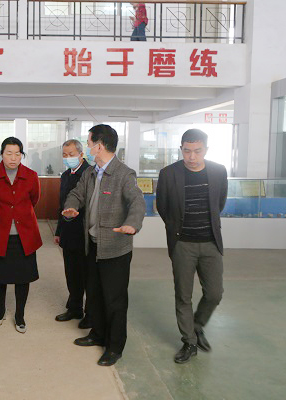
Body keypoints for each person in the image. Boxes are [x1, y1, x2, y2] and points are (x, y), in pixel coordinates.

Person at [62, 124, 145, 367]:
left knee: (114, 300)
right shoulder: (90, 172)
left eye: (89, 143)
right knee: (95, 293)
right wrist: (71, 207)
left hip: (115, 248)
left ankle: (115, 347)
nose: (88, 148)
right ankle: (97, 334)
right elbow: (76, 194)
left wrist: (132, 224)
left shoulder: (124, 174)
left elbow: (137, 202)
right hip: (93, 245)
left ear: (99, 146)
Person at [156, 129, 228, 364]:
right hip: (183, 244)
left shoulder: (218, 171)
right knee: (183, 295)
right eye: (187, 151)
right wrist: (176, 230)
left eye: (197, 151)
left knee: (215, 293)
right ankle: (189, 342)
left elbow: (219, 203)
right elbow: (163, 207)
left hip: (210, 243)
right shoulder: (169, 174)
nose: (191, 156)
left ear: (206, 150)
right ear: (181, 149)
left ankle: (196, 325)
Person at [0, 137, 42, 333]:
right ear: (2, 154)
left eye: (17, 153)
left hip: (24, 236)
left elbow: (34, 200)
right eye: (9, 153)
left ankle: (20, 315)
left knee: (23, 278)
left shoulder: (31, 176)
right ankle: (0, 311)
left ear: (22, 155)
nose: (13, 158)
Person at [54, 139, 91, 328]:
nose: (68, 158)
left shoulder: (90, 173)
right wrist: (58, 231)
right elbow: (62, 205)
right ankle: (74, 307)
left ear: (81, 154)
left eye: (71, 154)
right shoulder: (66, 175)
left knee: (86, 274)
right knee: (71, 272)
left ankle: (90, 313)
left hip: (84, 232)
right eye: (65, 155)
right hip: (68, 231)